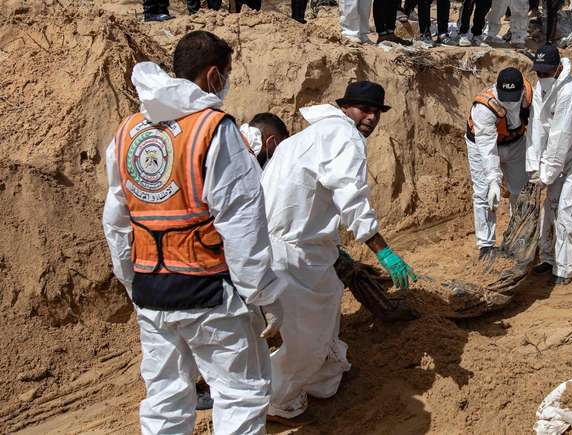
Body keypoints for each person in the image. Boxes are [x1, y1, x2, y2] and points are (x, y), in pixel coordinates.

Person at [102, 31, 284, 434]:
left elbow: (116, 219)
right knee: (240, 393)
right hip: (207, 290)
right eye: (229, 74)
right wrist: (263, 296)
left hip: (151, 290)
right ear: (214, 74)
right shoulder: (214, 129)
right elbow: (241, 221)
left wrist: (131, 278)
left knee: (165, 398)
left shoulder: (128, 130)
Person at [261, 81, 416, 423]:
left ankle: (323, 379)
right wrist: (384, 252)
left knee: (328, 303)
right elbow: (352, 200)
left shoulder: (306, 137)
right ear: (347, 108)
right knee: (307, 340)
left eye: (377, 111)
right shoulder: (344, 137)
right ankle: (277, 399)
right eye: (365, 109)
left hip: (292, 248)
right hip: (294, 254)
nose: (371, 117)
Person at [526, 45, 572, 285]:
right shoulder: (541, 88)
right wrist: (534, 168)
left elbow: (560, 138)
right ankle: (548, 258)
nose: (542, 77)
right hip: (561, 157)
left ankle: (565, 268)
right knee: (551, 205)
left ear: (558, 69)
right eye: (539, 73)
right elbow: (537, 130)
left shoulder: (570, 94)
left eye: (547, 73)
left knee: (568, 209)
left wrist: (546, 175)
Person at [465, 68, 533, 261]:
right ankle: (486, 246)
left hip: (516, 143)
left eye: (513, 96)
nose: (509, 101)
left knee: (520, 191)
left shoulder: (530, 96)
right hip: (481, 145)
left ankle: (518, 238)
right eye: (505, 96)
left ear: (521, 91)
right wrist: (494, 180)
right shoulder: (484, 108)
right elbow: (487, 148)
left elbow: (538, 127)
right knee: (483, 193)